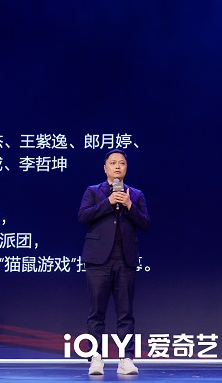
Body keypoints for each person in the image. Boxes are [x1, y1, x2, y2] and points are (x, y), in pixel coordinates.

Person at [78, 149, 150, 375]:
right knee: (96, 313)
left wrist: (129, 206)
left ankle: (126, 358)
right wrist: (108, 202)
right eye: (113, 163)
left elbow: (146, 223)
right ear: (105, 167)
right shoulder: (93, 191)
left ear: (126, 168)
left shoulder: (135, 194)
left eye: (122, 163)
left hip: (125, 260)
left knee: (125, 314)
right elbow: (83, 216)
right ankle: (95, 358)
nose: (118, 166)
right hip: (98, 261)